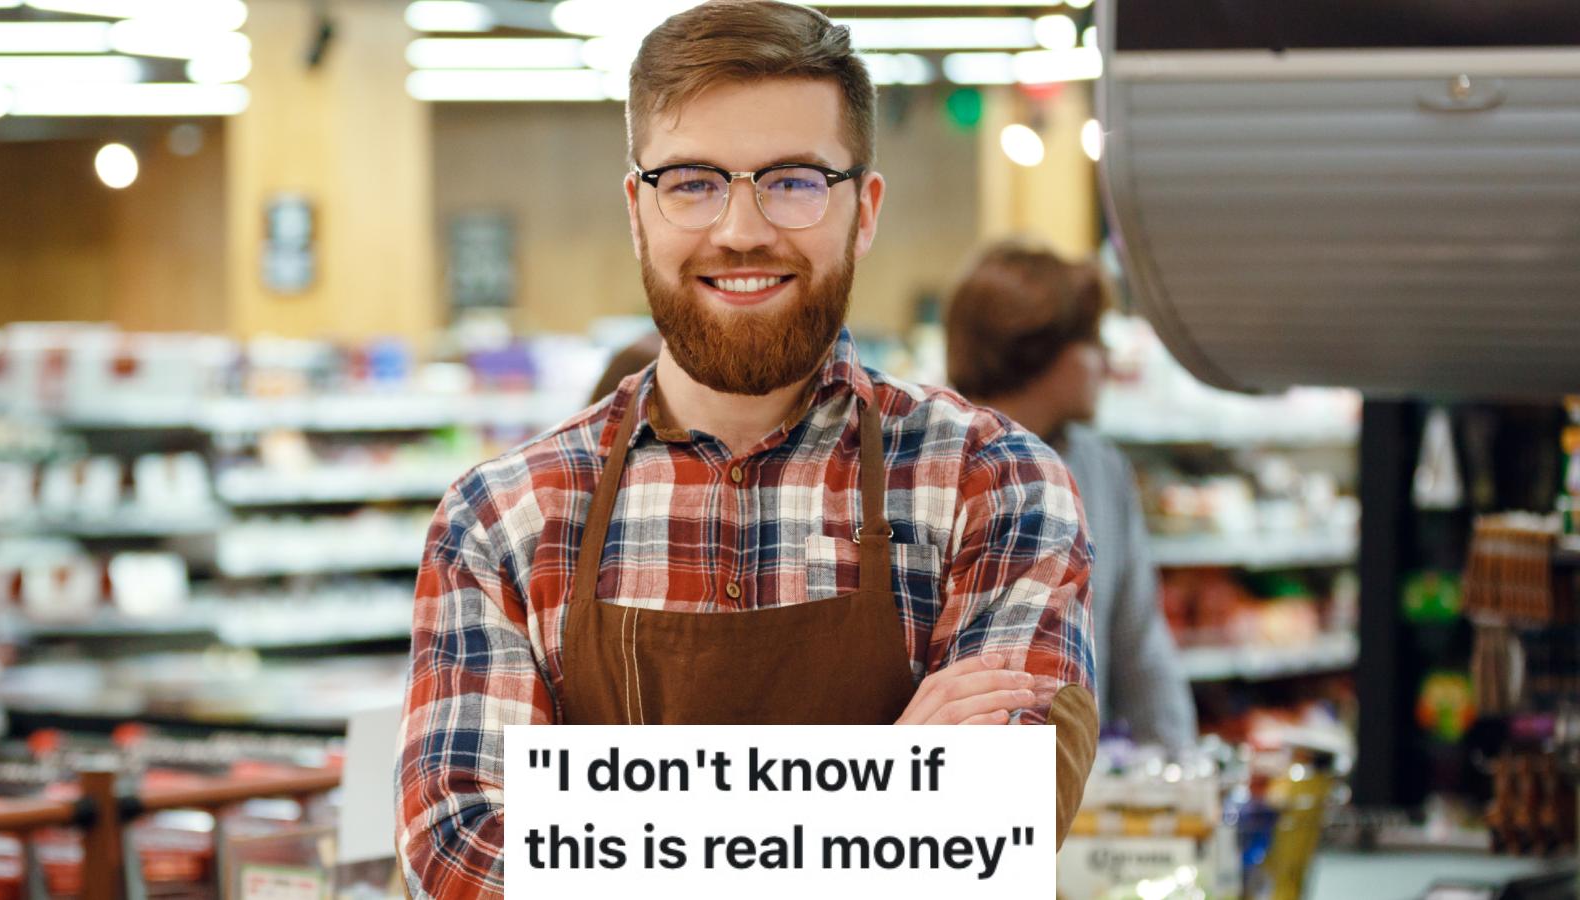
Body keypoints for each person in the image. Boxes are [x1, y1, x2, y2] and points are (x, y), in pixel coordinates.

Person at [395, 4, 1098, 895]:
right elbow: (462, 851)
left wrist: (598, 840)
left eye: (794, 180)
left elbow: (996, 817)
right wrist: (888, 796)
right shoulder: (504, 517)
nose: (740, 229)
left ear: (864, 208)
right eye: (692, 181)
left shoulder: (994, 482)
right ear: (638, 210)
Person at [945, 240, 1197, 752]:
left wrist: (1178, 767)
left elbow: (1139, 643)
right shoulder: (929, 463)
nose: (1106, 360)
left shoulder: (1102, 470)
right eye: (1091, 340)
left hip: (1079, 788)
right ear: (1037, 347)